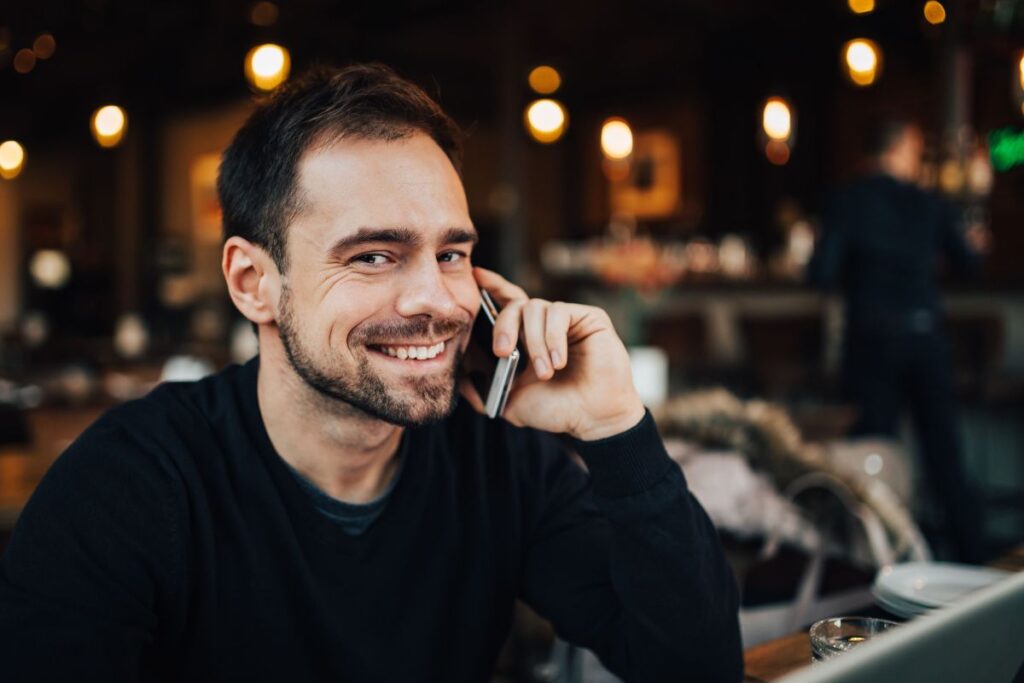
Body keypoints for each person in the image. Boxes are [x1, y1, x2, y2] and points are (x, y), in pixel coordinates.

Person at [0, 65, 742, 681]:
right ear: (253, 281)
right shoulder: (126, 485)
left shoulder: (500, 460)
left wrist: (616, 429)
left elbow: (694, 668)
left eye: (451, 253)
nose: (436, 300)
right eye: (373, 256)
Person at [808, 119, 988, 563]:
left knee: (875, 460)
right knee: (944, 456)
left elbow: (820, 274)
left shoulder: (848, 199)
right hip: (926, 338)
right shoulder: (931, 202)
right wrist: (975, 243)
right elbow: (970, 263)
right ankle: (974, 565)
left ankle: (879, 566)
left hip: (871, 342)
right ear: (905, 148)